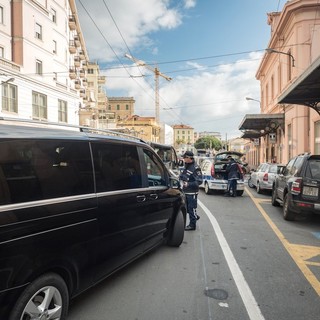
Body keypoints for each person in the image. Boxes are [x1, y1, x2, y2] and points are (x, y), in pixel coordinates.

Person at [180, 151, 203, 231]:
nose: (183, 159)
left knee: (191, 208)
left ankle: (192, 225)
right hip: (185, 191)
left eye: (184, 158)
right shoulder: (186, 165)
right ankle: (195, 216)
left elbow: (199, 181)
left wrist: (188, 184)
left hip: (192, 192)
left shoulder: (196, 168)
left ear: (189, 158)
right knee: (186, 208)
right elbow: (184, 175)